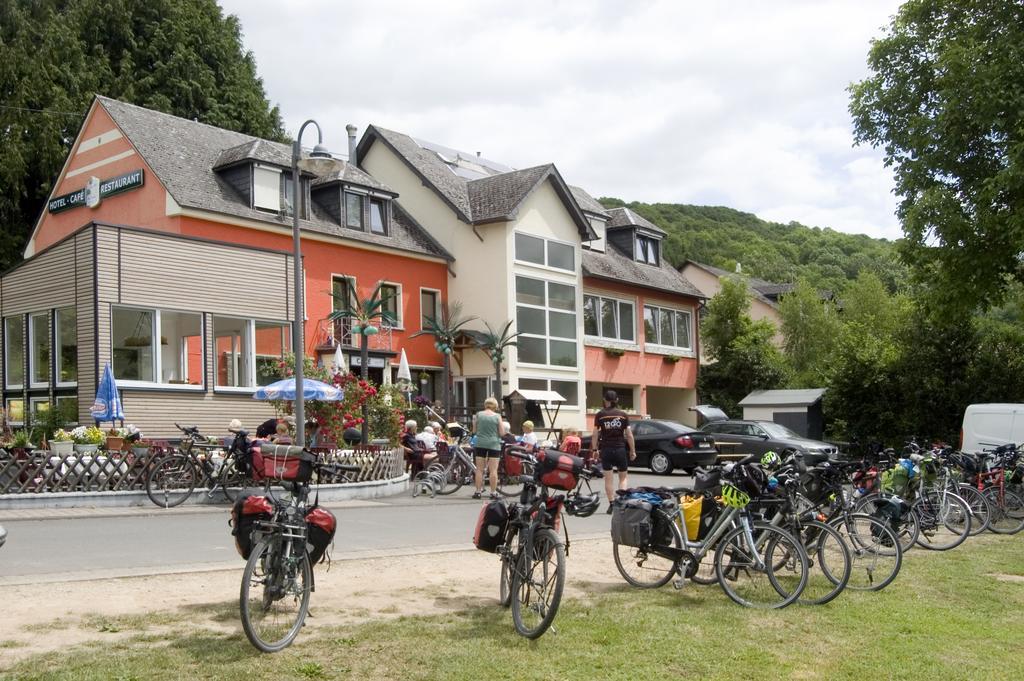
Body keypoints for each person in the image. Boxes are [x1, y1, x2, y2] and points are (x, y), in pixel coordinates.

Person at [591, 389, 636, 514]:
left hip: (606, 449)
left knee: (608, 479)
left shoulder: (600, 415)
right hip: (620, 449)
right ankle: (621, 501)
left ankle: (611, 504)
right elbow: (629, 435)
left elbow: (595, 434)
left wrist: (595, 449)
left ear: (605, 400)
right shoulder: (623, 415)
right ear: (617, 400)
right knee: (623, 478)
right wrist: (632, 450)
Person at [472, 397, 505, 499]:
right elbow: (502, 433)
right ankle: (493, 492)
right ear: (495, 406)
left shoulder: (478, 415)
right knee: (493, 470)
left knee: (479, 469)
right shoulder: (497, 416)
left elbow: (474, 431)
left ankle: (478, 492)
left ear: (485, 405)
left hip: (480, 443)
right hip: (494, 444)